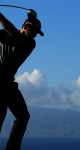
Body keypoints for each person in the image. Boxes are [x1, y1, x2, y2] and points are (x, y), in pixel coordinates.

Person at [0, 11, 44, 150]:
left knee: (23, 116)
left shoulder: (30, 44)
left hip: (8, 85)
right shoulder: (3, 34)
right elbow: (9, 30)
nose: (34, 35)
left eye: (36, 33)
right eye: (32, 31)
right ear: (24, 27)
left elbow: (12, 31)